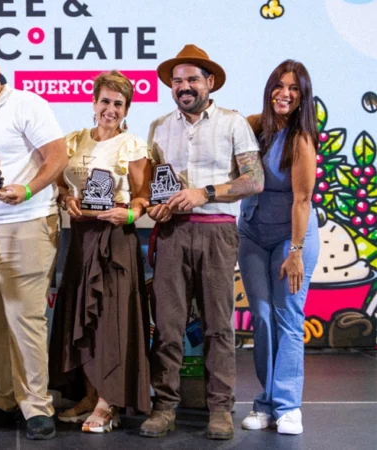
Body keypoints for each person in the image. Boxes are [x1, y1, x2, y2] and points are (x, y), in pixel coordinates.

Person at [140, 44, 264, 440]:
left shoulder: (233, 123)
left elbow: (254, 180)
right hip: (172, 233)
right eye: (177, 81)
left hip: (217, 232)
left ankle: (220, 409)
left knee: (218, 327)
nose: (184, 86)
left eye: (192, 79)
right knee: (167, 326)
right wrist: (157, 207)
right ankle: (164, 407)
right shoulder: (159, 126)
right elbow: (157, 186)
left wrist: (203, 193)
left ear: (210, 82)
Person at [0, 44, 68, 440]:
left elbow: (58, 156)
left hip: (26, 224)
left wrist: (28, 189)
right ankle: (5, 400)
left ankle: (37, 407)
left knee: (26, 319)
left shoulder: (27, 104)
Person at [49, 71, 152, 433]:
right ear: (93, 103)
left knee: (111, 321)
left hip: (115, 241)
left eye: (118, 104)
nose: (110, 109)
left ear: (127, 109)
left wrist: (130, 214)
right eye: (105, 101)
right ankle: (89, 396)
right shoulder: (73, 140)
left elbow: (143, 196)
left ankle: (109, 404)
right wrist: (66, 199)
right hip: (81, 239)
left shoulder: (132, 145)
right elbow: (61, 184)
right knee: (83, 319)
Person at [238, 60, 319, 435]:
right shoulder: (254, 126)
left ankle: (288, 406)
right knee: (262, 317)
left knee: (288, 317)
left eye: (294, 88)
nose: (284, 93)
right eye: (279, 85)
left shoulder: (301, 140)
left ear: (302, 97)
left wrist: (296, 252)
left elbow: (301, 200)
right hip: (253, 234)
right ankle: (265, 403)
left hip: (291, 238)